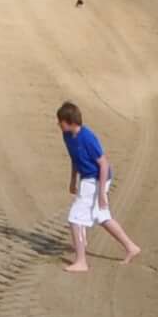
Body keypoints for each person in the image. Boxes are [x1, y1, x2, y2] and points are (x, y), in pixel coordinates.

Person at [58, 99, 136, 272]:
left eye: (60, 121)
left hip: (96, 179)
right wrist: (72, 180)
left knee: (75, 218)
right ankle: (131, 247)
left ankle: (81, 262)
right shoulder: (67, 136)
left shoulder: (87, 138)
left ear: (69, 122)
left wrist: (101, 193)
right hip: (87, 178)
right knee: (101, 216)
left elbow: (103, 164)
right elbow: (75, 159)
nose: (58, 124)